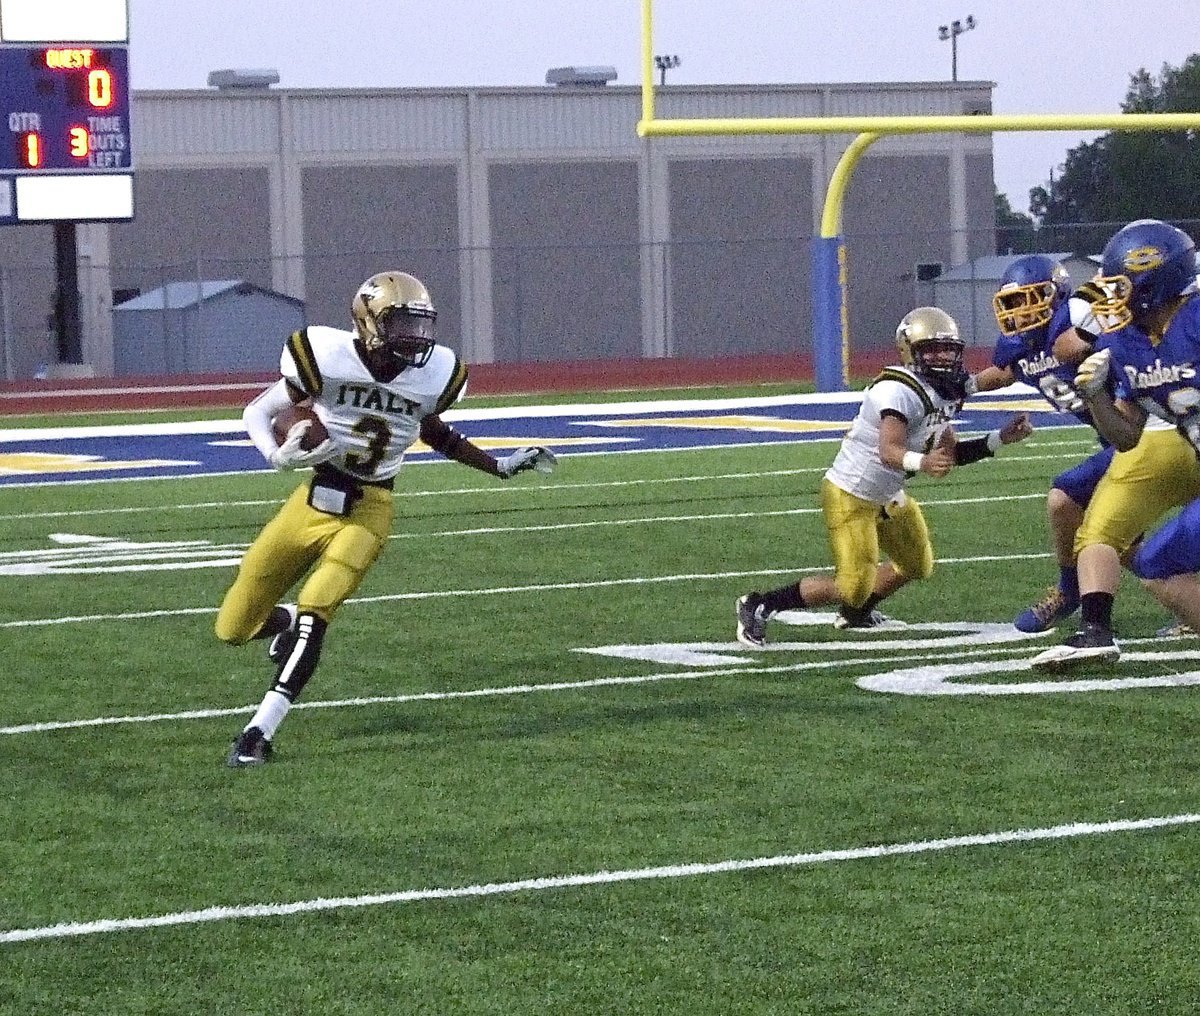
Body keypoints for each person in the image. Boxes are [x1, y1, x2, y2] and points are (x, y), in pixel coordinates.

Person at [216, 270, 556, 767]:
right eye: (401, 324)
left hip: (370, 508)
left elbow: (434, 432)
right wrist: (276, 455)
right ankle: (284, 623)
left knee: (317, 612)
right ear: (368, 321)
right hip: (311, 500)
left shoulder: (436, 373)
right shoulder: (326, 356)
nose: (415, 338)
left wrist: (498, 465)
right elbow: (258, 411)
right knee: (232, 627)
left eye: (421, 326)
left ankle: (257, 734)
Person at [735, 306, 1033, 648]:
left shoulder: (946, 387)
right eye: (932, 349)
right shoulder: (898, 389)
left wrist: (1003, 432)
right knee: (852, 586)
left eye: (948, 348)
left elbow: (998, 379)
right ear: (910, 352)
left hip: (889, 494)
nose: (943, 357)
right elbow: (889, 451)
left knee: (916, 565)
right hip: (852, 494)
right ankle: (760, 604)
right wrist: (923, 462)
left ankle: (856, 615)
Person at [1031, 219, 1200, 671]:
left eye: (1119, 284)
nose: (1109, 297)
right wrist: (1096, 395)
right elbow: (1125, 436)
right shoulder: (1126, 342)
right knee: (1160, 565)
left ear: (1153, 279)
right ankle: (1095, 631)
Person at [971, 254, 1112, 632]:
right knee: (1085, 514)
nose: (1020, 310)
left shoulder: (1077, 319)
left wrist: (1090, 336)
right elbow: (1003, 373)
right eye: (1013, 302)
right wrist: (961, 387)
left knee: (1070, 500)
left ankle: (1179, 590)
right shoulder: (1020, 346)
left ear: (1057, 293)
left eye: (1029, 298)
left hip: (1151, 430)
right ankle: (1073, 590)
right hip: (1117, 440)